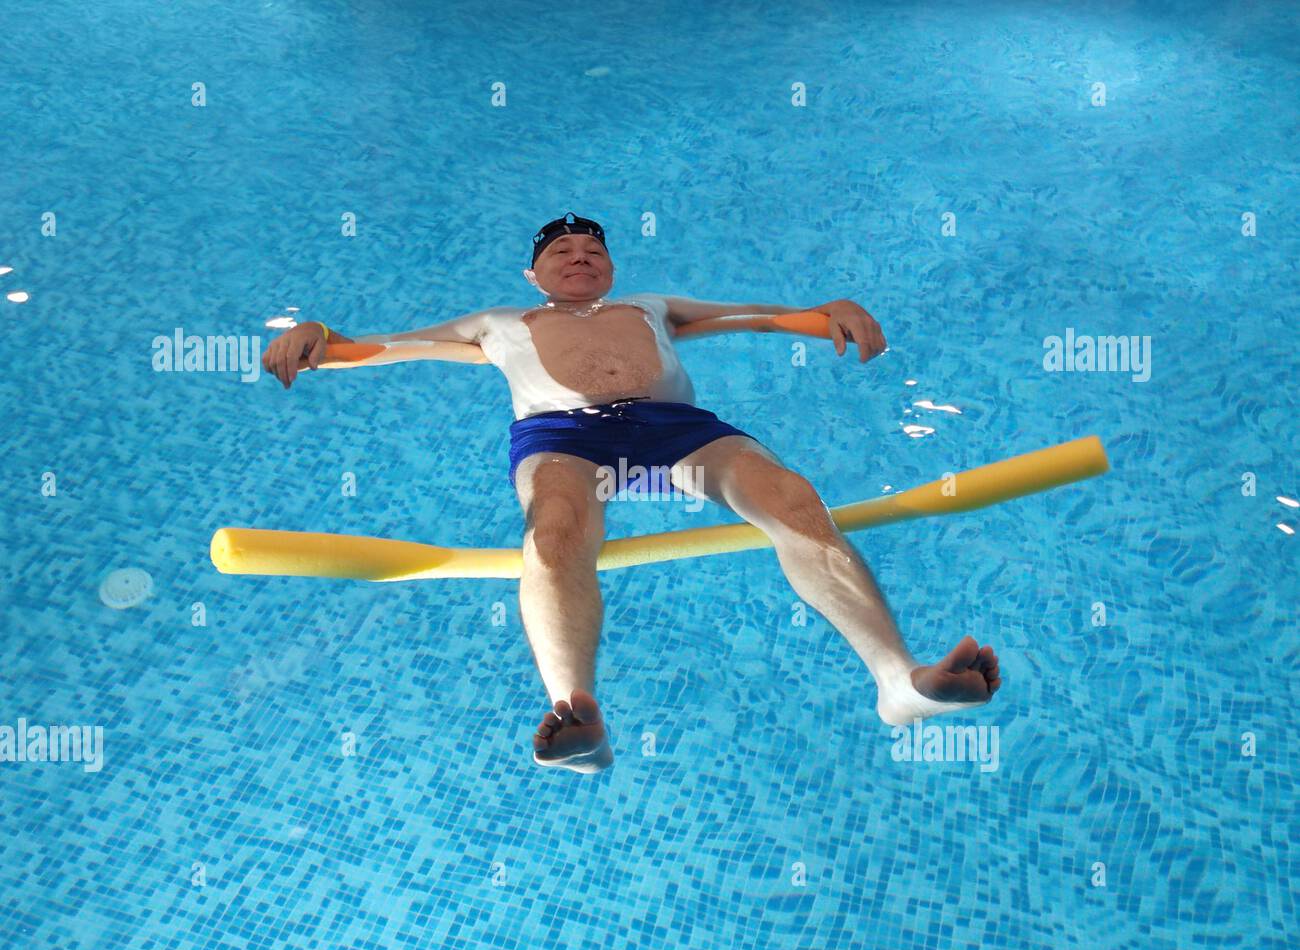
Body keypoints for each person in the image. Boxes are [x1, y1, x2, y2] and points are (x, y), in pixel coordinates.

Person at [263, 213, 1001, 774]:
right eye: (561, 252)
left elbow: (760, 315)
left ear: (610, 267)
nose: (580, 258)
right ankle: (577, 711)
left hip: (677, 428)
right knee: (554, 530)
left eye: (593, 251)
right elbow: (384, 345)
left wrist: (828, 309)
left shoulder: (650, 305)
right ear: (534, 274)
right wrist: (319, 334)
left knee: (793, 498)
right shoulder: (496, 323)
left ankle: (898, 681)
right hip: (564, 437)